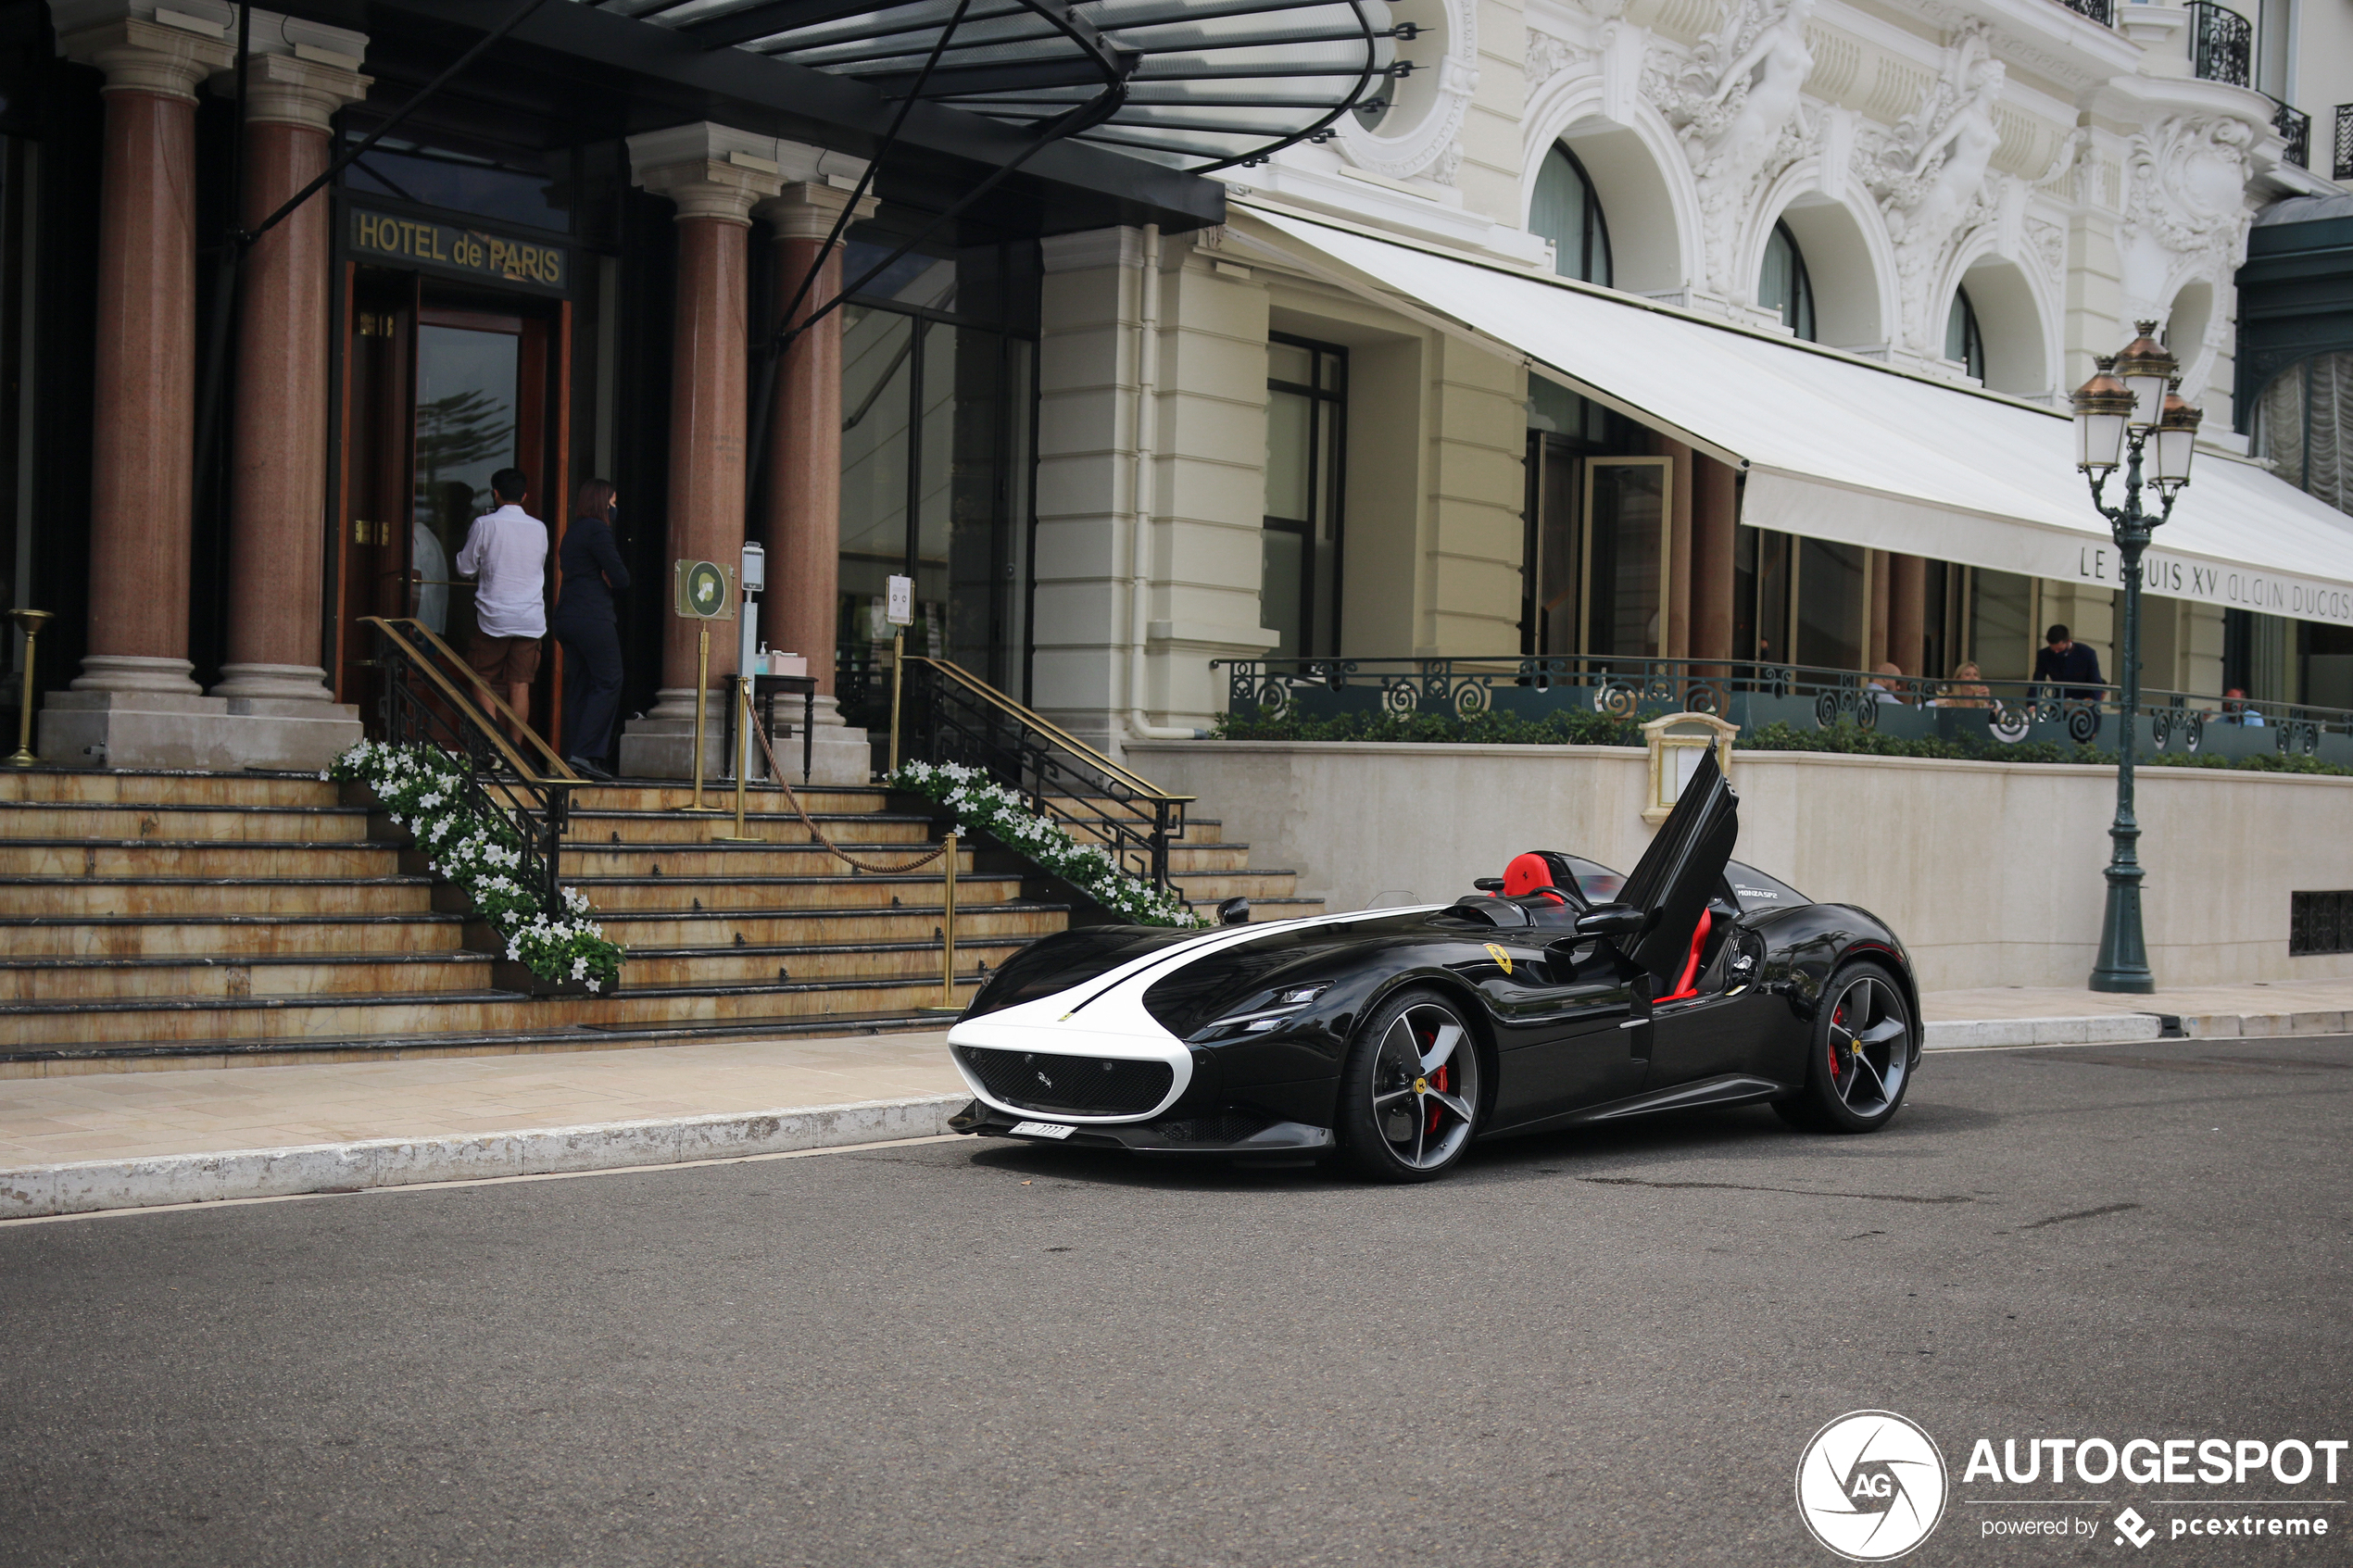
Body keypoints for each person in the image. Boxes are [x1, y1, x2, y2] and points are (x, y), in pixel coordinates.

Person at [455, 467, 548, 746]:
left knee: (481, 678)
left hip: (493, 617)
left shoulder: (486, 525)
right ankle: (514, 752)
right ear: (525, 495)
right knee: (520, 685)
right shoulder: (539, 528)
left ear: (495, 493)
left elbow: (465, 567)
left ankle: (492, 746)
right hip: (530, 617)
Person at [550, 478, 630, 780]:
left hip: (566, 617)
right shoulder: (598, 530)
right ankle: (585, 754)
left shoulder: (572, 533)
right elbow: (621, 576)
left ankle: (578, 755)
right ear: (602, 503)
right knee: (609, 681)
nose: (614, 509)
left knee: (582, 686)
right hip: (592, 617)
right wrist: (609, 577)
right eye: (612, 503)